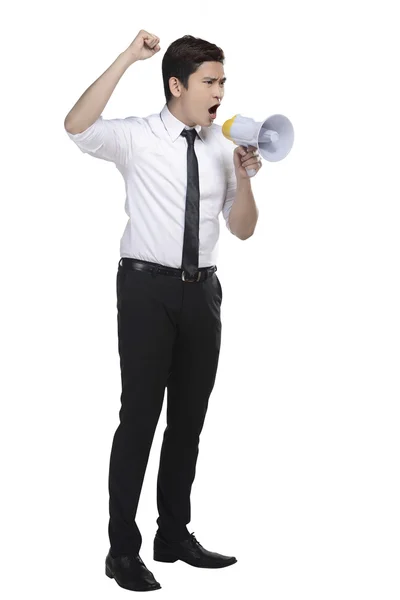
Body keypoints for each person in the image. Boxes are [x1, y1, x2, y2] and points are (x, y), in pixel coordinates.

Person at [64, 29, 262, 593]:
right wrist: (128, 58)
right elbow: (75, 126)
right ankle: (121, 550)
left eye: (223, 80)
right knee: (140, 418)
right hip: (147, 290)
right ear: (177, 85)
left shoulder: (223, 146)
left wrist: (246, 181)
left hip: (203, 293)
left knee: (189, 421)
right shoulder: (138, 138)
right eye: (210, 81)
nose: (220, 90)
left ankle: (172, 535)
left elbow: (243, 230)